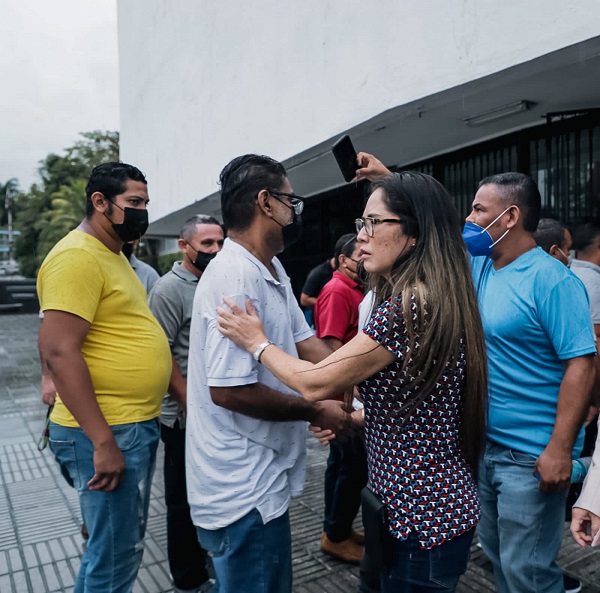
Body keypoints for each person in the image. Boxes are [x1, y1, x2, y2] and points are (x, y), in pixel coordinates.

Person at [217, 171, 489, 593]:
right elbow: (416, 413)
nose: (360, 237)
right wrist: (353, 421)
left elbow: (314, 382)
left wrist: (257, 342)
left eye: (374, 223)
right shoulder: (429, 293)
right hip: (411, 510)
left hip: (423, 518)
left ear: (414, 235)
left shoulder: (408, 304)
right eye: (361, 224)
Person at [355, 155, 597, 593]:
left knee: (528, 571)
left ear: (511, 217)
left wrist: (560, 450)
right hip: (480, 446)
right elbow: (433, 224)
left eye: (479, 211)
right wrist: (389, 180)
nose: (469, 218)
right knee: (499, 561)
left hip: (531, 455)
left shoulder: (553, 280)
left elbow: (581, 363)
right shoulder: (481, 265)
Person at [185, 154, 358, 593]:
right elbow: (230, 392)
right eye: (289, 200)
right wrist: (315, 411)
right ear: (266, 203)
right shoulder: (235, 278)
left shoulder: (271, 268)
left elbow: (309, 346)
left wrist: (355, 385)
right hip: (241, 487)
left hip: (262, 475)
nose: (295, 210)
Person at [37, 162, 172, 593]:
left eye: (145, 203)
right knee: (115, 556)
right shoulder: (77, 257)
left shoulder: (112, 256)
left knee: (120, 546)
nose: (142, 212)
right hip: (109, 428)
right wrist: (102, 441)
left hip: (128, 424)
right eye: (134, 203)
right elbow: (59, 350)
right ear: (100, 202)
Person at [147, 214, 224, 593]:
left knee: (208, 489)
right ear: (184, 246)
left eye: (220, 243)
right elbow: (160, 355)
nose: (215, 250)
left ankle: (204, 555)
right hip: (182, 416)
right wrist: (191, 408)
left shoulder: (215, 280)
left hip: (213, 410)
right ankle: (188, 579)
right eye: (207, 244)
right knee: (180, 499)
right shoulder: (168, 290)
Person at [314, 233, 367, 564]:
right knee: (350, 468)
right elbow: (330, 345)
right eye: (357, 255)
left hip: (351, 391)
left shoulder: (354, 289)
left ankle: (338, 529)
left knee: (343, 466)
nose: (363, 259)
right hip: (345, 395)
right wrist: (355, 383)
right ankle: (335, 535)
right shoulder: (336, 290)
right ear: (341, 260)